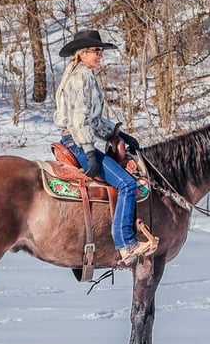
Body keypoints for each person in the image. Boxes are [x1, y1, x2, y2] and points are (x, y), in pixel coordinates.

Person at [54, 30, 157, 266]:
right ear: (81, 54)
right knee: (127, 184)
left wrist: (117, 134)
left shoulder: (81, 75)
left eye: (101, 51)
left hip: (76, 139)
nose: (100, 55)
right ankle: (126, 243)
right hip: (79, 142)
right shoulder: (81, 78)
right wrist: (90, 152)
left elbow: (94, 121)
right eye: (96, 51)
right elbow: (80, 121)